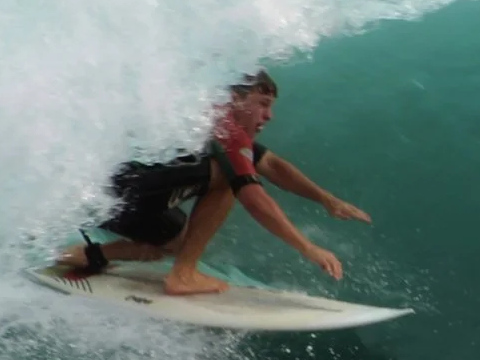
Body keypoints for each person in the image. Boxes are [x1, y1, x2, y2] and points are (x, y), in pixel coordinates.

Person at [56, 71, 370, 296]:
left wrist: (327, 199)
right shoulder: (223, 128)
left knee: (175, 243)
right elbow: (253, 198)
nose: (269, 115)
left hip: (110, 201)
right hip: (122, 196)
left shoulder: (211, 126)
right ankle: (183, 275)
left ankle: (89, 255)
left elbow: (273, 164)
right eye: (263, 103)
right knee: (227, 179)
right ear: (236, 98)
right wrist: (308, 248)